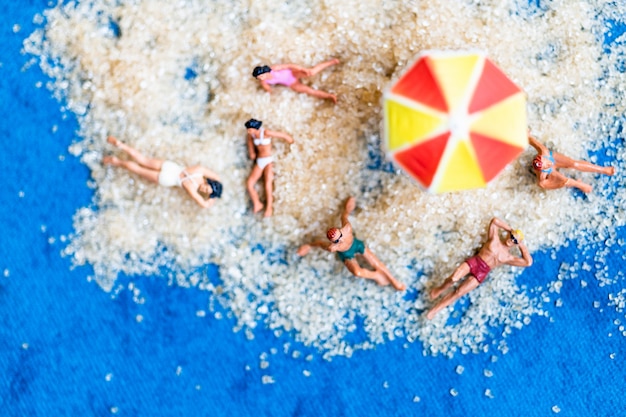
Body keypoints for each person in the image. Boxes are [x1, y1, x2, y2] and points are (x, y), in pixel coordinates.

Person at [427, 217, 532, 319]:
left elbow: (528, 262)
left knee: (459, 292)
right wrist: (510, 229)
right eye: (512, 237)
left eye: (515, 241)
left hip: (482, 273)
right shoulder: (494, 239)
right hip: (476, 261)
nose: (512, 240)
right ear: (509, 234)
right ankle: (440, 289)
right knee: (454, 277)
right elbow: (495, 221)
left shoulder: (508, 257)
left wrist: (522, 246)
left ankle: (435, 310)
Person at [297, 196, 406, 291]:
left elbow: (344, 215)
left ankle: (393, 280)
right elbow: (321, 244)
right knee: (357, 272)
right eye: (336, 241)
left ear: (341, 231)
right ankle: (377, 276)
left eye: (340, 237)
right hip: (346, 254)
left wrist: (348, 206)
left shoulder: (347, 229)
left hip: (356, 245)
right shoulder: (333, 247)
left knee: (375, 262)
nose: (340, 241)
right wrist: (309, 246)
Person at [103, 136, 222, 208]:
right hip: (168, 179)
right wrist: (213, 197)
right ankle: (116, 162)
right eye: (206, 188)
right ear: (208, 183)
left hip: (172, 167)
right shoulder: (191, 188)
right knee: (139, 170)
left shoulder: (199, 171)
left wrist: (215, 189)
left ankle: (121, 145)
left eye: (205, 191)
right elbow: (204, 205)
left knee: (143, 159)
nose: (203, 190)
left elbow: (217, 177)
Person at [528, 133, 615, 193]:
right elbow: (545, 184)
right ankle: (580, 185)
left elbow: (532, 141)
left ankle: (603, 170)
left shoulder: (544, 152)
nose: (548, 164)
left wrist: (527, 135)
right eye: (546, 165)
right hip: (550, 172)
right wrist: (562, 183)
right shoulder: (542, 176)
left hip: (552, 158)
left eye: (546, 162)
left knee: (574, 164)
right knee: (565, 180)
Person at [245, 119, 294, 217]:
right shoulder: (251, 136)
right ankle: (257, 203)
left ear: (255, 128)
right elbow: (251, 149)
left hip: (268, 160)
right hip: (260, 161)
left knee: (268, 184)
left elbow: (282, 135)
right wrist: (252, 153)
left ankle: (269, 207)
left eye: (250, 129)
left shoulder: (266, 132)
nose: (248, 131)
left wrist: (290, 140)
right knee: (249, 183)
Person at [252, 59, 339, 103]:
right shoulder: (264, 82)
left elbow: (289, 65)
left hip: (293, 74)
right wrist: (272, 95)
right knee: (310, 91)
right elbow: (270, 91)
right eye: (260, 78)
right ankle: (330, 96)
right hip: (291, 83)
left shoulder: (273, 69)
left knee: (311, 72)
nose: (262, 78)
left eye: (262, 76)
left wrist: (302, 69)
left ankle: (331, 62)